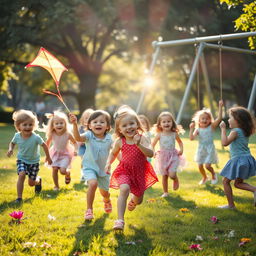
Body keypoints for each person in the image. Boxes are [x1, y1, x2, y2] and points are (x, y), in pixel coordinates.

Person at [105, 106, 158, 230]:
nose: (128, 127)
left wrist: (139, 144)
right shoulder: (120, 141)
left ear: (137, 124)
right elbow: (113, 153)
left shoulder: (142, 138)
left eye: (131, 123)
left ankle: (134, 200)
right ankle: (120, 220)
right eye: (124, 126)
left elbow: (150, 153)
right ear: (120, 129)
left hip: (140, 172)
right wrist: (108, 163)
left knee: (139, 200)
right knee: (124, 189)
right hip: (125, 170)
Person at [69, 110, 113, 220]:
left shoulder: (109, 139)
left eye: (102, 122)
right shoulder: (89, 135)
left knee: (105, 192)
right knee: (93, 184)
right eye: (95, 122)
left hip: (104, 169)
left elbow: (116, 152)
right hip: (89, 167)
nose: (98, 124)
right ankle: (89, 210)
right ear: (89, 125)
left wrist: (123, 161)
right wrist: (74, 124)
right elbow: (78, 138)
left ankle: (107, 200)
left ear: (107, 126)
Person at [6, 109, 52, 203]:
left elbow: (45, 145)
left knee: (31, 183)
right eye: (25, 125)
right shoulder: (17, 136)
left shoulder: (36, 137)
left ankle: (38, 181)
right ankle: (19, 198)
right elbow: (12, 143)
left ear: (34, 125)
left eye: (30, 125)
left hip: (34, 162)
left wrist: (48, 157)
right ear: (19, 126)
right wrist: (10, 149)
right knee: (21, 174)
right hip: (21, 160)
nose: (28, 127)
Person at [219, 106, 256, 209]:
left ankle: (231, 205)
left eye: (230, 117)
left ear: (238, 120)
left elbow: (224, 142)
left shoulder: (235, 131)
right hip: (247, 159)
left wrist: (223, 129)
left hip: (238, 160)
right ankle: (255, 190)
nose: (228, 120)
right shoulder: (244, 131)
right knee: (238, 184)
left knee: (225, 181)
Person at [189, 100, 224, 185]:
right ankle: (204, 177)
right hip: (201, 149)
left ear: (210, 120)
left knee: (207, 166)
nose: (205, 120)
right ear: (199, 120)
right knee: (200, 166)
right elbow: (191, 138)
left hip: (210, 148)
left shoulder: (211, 127)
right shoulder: (198, 129)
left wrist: (220, 107)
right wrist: (191, 129)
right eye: (202, 118)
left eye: (207, 118)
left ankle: (213, 175)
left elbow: (219, 118)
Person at [152, 111, 185, 197]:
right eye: (164, 122)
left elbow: (180, 142)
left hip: (173, 156)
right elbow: (153, 144)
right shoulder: (159, 135)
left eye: (168, 121)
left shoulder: (174, 134)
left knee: (171, 174)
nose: (166, 123)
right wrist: (153, 152)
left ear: (172, 123)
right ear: (160, 124)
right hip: (162, 157)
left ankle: (175, 178)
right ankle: (165, 192)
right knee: (164, 175)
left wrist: (181, 149)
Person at [45, 111, 77, 191]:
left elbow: (75, 143)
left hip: (65, 155)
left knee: (62, 171)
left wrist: (75, 150)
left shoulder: (68, 134)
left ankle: (67, 173)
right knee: (54, 169)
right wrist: (47, 155)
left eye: (61, 123)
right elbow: (47, 144)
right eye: (57, 123)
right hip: (55, 154)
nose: (59, 125)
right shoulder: (52, 134)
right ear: (53, 125)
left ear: (65, 123)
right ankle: (56, 186)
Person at [78, 108, 94, 182]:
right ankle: (83, 174)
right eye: (86, 118)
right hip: (83, 148)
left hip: (91, 148)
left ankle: (90, 174)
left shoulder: (95, 129)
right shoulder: (81, 128)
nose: (88, 120)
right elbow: (78, 138)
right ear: (83, 120)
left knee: (90, 162)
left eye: (90, 118)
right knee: (84, 161)